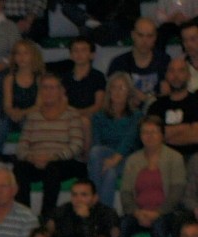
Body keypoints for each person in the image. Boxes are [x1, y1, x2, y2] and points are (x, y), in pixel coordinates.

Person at [13, 74, 86, 219]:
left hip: (62, 162)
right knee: (19, 169)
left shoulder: (72, 114)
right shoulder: (33, 116)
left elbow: (77, 145)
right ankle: (25, 217)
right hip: (36, 161)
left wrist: (54, 157)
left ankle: (47, 217)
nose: (48, 92)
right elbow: (21, 147)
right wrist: (31, 157)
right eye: (45, 88)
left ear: (61, 91)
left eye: (52, 88)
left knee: (52, 170)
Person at [87, 72, 141, 211]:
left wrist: (115, 159)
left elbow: (129, 141)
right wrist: (107, 162)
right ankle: (105, 215)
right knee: (105, 167)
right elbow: (96, 143)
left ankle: (94, 208)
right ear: (109, 91)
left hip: (129, 159)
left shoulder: (137, 116)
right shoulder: (98, 117)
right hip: (105, 158)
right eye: (114, 87)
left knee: (107, 169)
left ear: (129, 92)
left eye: (122, 88)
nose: (117, 92)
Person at [49, 178, 119, 237]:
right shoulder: (62, 211)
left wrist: (85, 220)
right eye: (74, 195)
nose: (78, 199)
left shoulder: (107, 214)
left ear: (95, 198)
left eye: (84, 195)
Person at [105, 17, 167, 108]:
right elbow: (109, 97)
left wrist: (146, 99)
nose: (144, 41)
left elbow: (169, 94)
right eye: (140, 35)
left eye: (149, 36)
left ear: (155, 37)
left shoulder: (164, 61)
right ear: (133, 35)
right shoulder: (119, 63)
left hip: (157, 111)